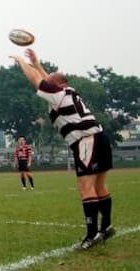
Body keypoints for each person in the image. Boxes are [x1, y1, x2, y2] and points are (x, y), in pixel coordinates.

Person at [11, 49, 115, 250]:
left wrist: (22, 62)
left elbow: (38, 81)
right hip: (99, 137)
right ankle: (107, 226)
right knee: (100, 186)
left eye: (49, 79)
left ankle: (92, 235)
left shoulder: (57, 93)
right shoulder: (68, 91)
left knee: (86, 188)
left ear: (56, 84)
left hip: (86, 141)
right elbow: (47, 79)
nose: (45, 79)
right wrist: (37, 63)